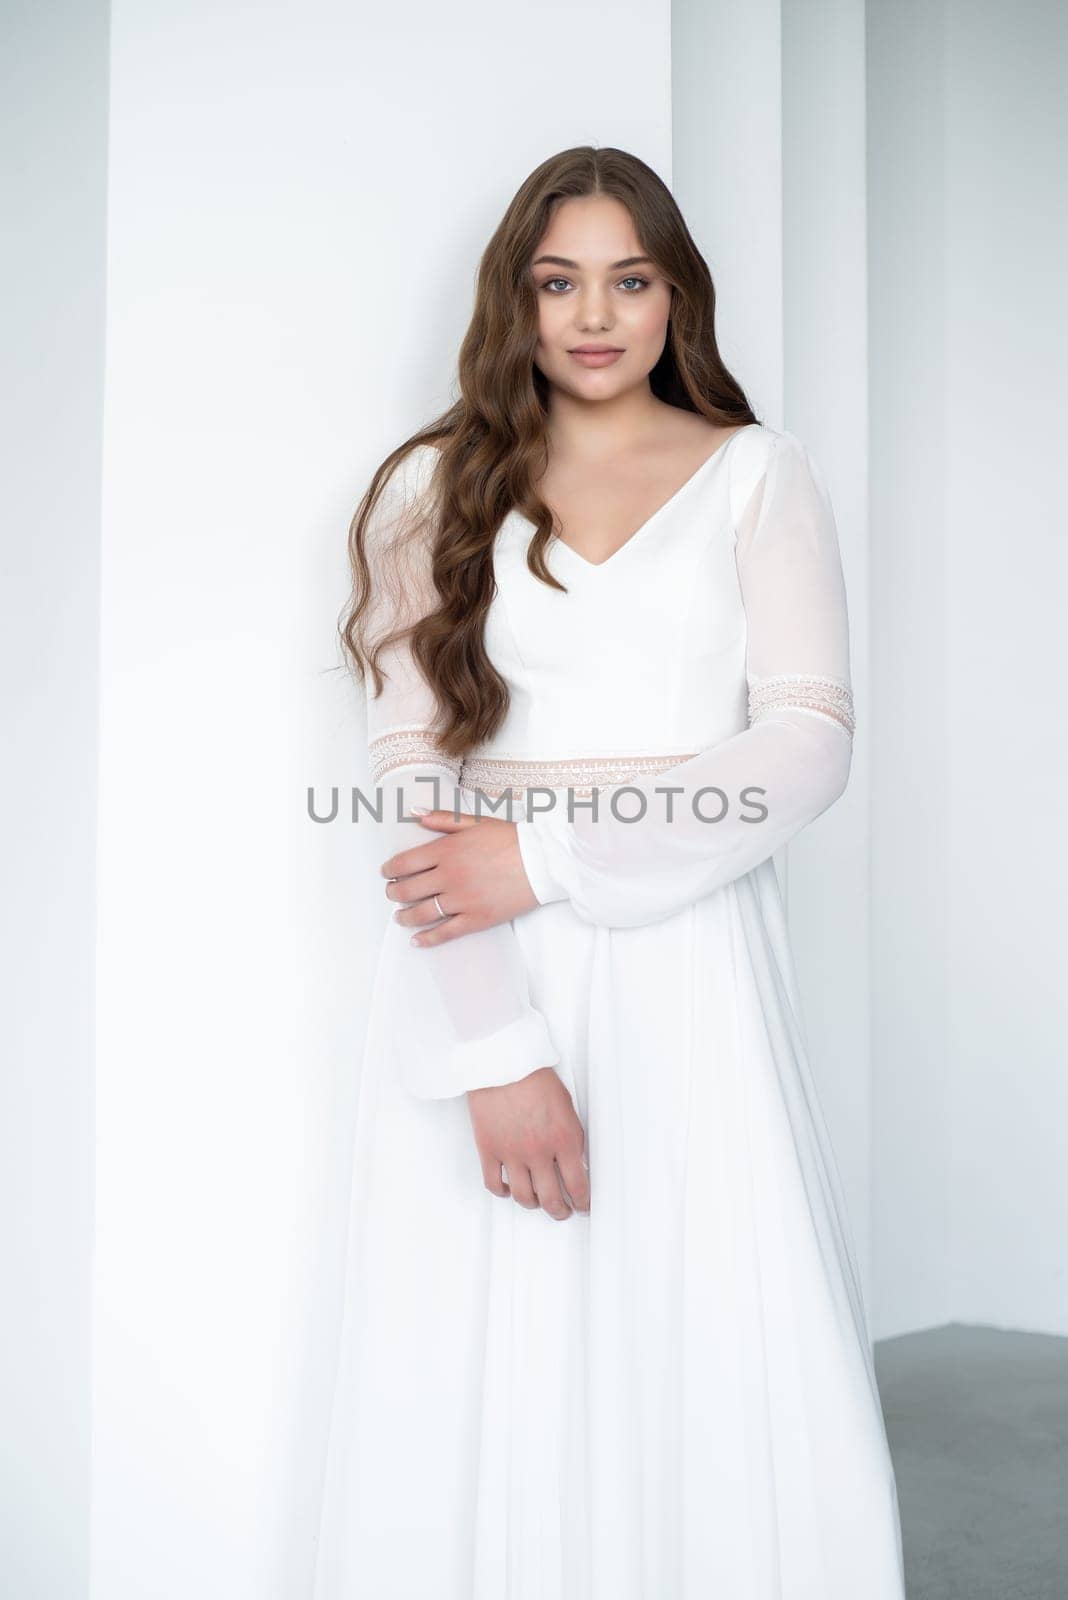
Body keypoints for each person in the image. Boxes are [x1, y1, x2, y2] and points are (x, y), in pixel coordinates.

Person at [313, 145, 906, 1599]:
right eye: (558, 279)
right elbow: (412, 797)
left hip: (694, 963)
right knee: (485, 1332)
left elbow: (807, 746)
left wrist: (552, 856)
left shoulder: (758, 476)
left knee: (707, 1316)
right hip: (485, 970)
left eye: (630, 278)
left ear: (674, 295)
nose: (595, 314)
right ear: (513, 300)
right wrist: (500, 1050)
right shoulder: (431, 489)